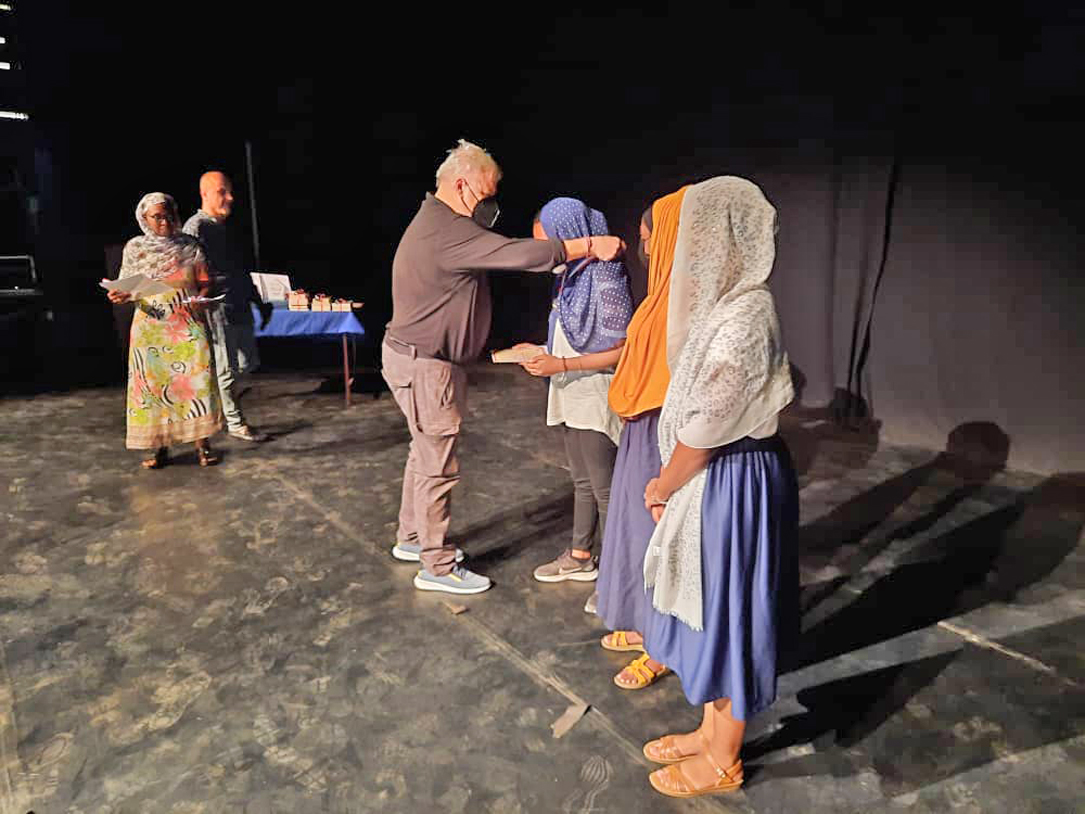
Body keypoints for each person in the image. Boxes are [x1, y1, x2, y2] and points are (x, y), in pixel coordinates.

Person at [383, 140, 625, 595]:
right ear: (461, 184)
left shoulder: (437, 223)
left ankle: (413, 539)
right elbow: (519, 254)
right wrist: (587, 245)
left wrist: (494, 350)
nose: (492, 204)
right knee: (437, 463)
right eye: (487, 192)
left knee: (423, 453)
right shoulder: (446, 229)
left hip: (418, 359)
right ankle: (435, 565)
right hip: (426, 366)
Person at [637, 176, 799, 798]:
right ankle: (710, 733)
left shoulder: (746, 316)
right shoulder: (728, 308)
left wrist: (663, 483)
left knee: (729, 613)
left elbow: (707, 425)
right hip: (718, 475)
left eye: (699, 237)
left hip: (731, 478)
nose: (688, 253)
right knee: (712, 609)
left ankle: (724, 757)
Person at [517, 199, 632, 611]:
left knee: (605, 489)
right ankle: (581, 557)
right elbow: (570, 332)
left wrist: (561, 362)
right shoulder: (570, 277)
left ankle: (619, 581)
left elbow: (621, 350)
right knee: (581, 480)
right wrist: (540, 350)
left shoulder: (605, 275)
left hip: (596, 392)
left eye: (550, 244)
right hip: (569, 387)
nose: (549, 256)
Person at [594, 190, 685, 690]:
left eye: (649, 238)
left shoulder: (687, 300)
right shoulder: (661, 292)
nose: (643, 248)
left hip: (666, 430)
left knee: (661, 537)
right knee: (634, 527)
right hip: (642, 425)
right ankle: (644, 622)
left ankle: (662, 643)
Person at [102, 193, 223, 468]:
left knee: (196, 383)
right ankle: (158, 446)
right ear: (143, 219)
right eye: (158, 216)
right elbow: (126, 287)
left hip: (187, 321)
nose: (165, 221)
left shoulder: (190, 245)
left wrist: (202, 296)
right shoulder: (136, 248)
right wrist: (120, 295)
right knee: (154, 386)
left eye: (170, 215)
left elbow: (207, 281)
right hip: (151, 326)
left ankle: (203, 444)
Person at [183, 171, 272, 443]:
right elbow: (189, 274)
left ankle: (223, 408)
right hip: (217, 308)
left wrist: (258, 300)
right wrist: (196, 305)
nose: (230, 198)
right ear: (205, 195)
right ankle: (234, 421)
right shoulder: (196, 228)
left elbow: (239, 269)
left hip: (239, 303)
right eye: (223, 191)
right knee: (227, 368)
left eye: (230, 191)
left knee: (247, 363)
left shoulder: (224, 227)